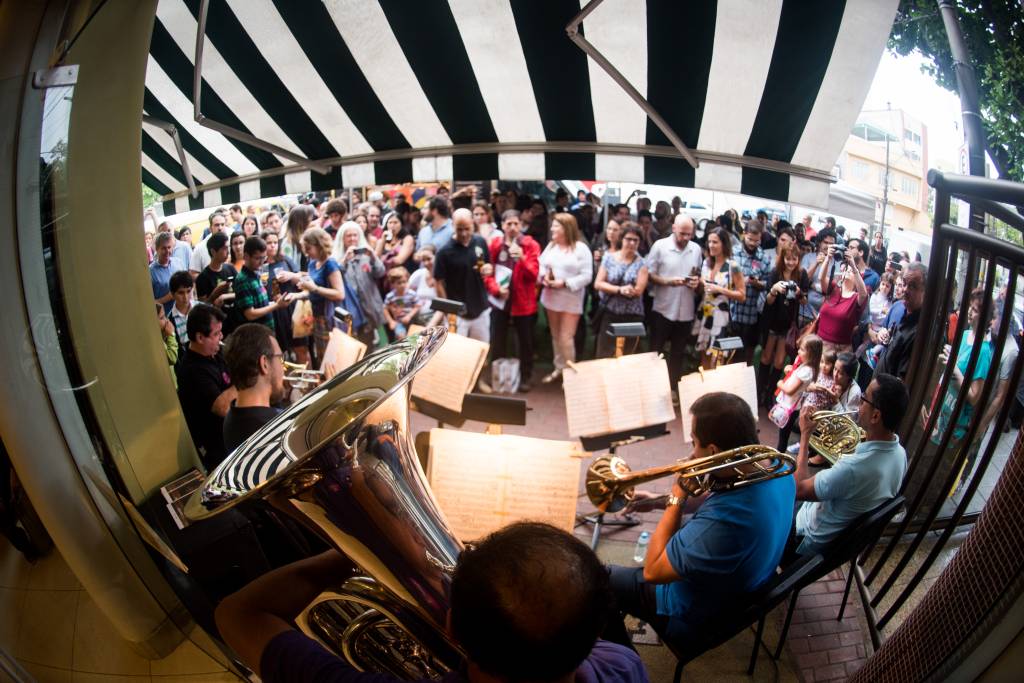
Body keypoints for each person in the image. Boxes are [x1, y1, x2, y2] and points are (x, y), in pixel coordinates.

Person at [216, 522, 648, 683]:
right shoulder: (625, 666)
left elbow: (236, 613)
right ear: (595, 631)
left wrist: (350, 552)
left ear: (451, 628)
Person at [607, 392, 795, 645]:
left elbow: (653, 570)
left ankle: (623, 661)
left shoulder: (723, 523)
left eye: (694, 442)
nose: (692, 453)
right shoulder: (776, 466)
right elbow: (713, 498)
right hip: (743, 585)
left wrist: (677, 495)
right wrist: (656, 501)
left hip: (692, 617)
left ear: (713, 449)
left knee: (601, 578)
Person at [791, 374, 908, 555]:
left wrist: (805, 435)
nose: (859, 406)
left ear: (876, 416)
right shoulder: (900, 454)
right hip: (835, 534)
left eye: (863, 400)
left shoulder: (853, 469)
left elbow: (798, 490)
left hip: (804, 536)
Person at [930, 288, 995, 446]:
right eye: (970, 307)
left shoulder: (984, 351)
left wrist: (954, 367)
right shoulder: (966, 334)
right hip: (940, 408)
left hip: (953, 422)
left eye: (975, 309)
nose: (970, 312)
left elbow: (974, 396)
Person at [484, 210, 540, 391]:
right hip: (500, 301)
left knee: (525, 342)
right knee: (497, 339)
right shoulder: (495, 245)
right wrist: (495, 289)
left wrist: (522, 258)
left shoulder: (530, 245)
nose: (513, 227)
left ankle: (525, 377)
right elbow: (487, 273)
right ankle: (497, 377)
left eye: (516, 224)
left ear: (521, 225)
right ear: (502, 226)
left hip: (523, 302)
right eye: (509, 224)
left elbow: (534, 274)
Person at [176, 304, 236, 470]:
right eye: (216, 334)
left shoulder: (214, 353)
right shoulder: (192, 370)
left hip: (229, 436)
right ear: (200, 337)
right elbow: (222, 408)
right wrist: (244, 376)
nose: (221, 337)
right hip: (217, 450)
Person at [646, 214, 703, 387]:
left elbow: (698, 275)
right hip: (663, 307)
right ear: (673, 229)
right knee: (656, 351)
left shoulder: (696, 249)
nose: (686, 238)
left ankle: (672, 388)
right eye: (682, 234)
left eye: (689, 234)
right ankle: (652, 387)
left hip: (685, 310)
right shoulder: (660, 246)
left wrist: (696, 282)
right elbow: (648, 274)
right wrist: (667, 282)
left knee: (678, 353)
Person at [538, 212, 593, 383]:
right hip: (551, 298)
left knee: (566, 338)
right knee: (555, 336)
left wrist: (565, 283)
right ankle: (559, 367)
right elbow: (541, 264)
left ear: (566, 228)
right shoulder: (551, 246)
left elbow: (587, 276)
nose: (552, 228)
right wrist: (544, 277)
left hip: (571, 300)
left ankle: (571, 375)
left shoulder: (581, 248)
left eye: (556, 225)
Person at [278, 228, 345, 366]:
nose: (306, 252)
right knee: (322, 356)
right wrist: (296, 295)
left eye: (308, 248)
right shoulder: (313, 263)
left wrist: (315, 288)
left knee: (331, 359)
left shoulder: (330, 264)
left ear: (319, 245)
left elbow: (340, 294)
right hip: (317, 316)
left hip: (329, 318)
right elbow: (311, 291)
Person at [759, 244, 811, 406]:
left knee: (780, 361)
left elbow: (804, 301)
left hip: (788, 323)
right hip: (772, 320)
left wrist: (798, 293)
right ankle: (759, 391)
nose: (791, 262)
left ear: (798, 259)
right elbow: (768, 301)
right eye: (788, 259)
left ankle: (769, 396)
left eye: (794, 259)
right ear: (782, 258)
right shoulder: (775, 272)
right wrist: (774, 289)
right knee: (766, 357)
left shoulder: (801, 275)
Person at [222, 323, 286, 453]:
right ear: (264, 364)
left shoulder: (232, 416)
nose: (283, 368)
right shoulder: (276, 430)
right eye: (280, 358)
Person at [434, 208, 491, 342]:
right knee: (458, 358)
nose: (464, 233)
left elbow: (488, 265)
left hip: (481, 310)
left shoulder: (481, 242)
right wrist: (448, 311)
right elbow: (438, 282)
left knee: (480, 353)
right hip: (458, 315)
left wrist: (489, 269)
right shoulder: (444, 252)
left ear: (473, 223)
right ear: (452, 225)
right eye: (459, 229)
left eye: (467, 228)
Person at [692, 227, 745, 368]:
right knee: (703, 352)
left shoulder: (733, 266)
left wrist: (720, 290)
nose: (711, 245)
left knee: (716, 356)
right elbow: (702, 288)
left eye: (715, 242)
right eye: (709, 242)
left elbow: (741, 295)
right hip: (704, 311)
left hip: (720, 315)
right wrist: (698, 284)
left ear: (724, 244)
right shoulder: (707, 262)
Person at [593, 224, 649, 358]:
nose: (632, 243)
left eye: (636, 240)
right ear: (621, 239)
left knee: (627, 357)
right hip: (610, 313)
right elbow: (598, 283)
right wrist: (619, 289)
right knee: (604, 354)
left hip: (632, 316)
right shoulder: (609, 258)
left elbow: (639, 290)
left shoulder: (642, 263)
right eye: (629, 239)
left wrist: (631, 291)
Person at [873, 263, 926, 382]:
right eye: (905, 283)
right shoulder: (897, 306)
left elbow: (902, 380)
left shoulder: (921, 331)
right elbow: (882, 331)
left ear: (925, 292)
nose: (905, 289)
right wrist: (881, 333)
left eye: (913, 286)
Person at [261, 230, 306, 367]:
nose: (273, 246)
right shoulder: (261, 265)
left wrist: (290, 275)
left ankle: (308, 383)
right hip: (275, 311)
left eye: (275, 242)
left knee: (301, 348)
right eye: (269, 243)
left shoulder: (285, 260)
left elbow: (303, 279)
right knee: (279, 353)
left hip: (292, 308)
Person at [337, 222, 386, 347]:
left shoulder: (366, 256)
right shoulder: (337, 258)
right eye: (349, 236)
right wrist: (345, 260)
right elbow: (336, 277)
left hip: (368, 307)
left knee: (368, 343)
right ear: (342, 238)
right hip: (351, 309)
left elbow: (380, 273)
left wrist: (373, 255)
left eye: (355, 235)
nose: (353, 239)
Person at [772, 335, 823, 452]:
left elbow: (790, 391)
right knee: (783, 435)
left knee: (783, 438)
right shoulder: (805, 366)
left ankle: (778, 459)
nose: (798, 351)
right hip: (789, 406)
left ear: (811, 353)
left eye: (802, 349)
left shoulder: (806, 371)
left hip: (789, 407)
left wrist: (780, 384)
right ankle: (778, 458)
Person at [816, 243, 869, 354]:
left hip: (839, 350)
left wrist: (854, 266)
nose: (848, 271)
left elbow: (863, 294)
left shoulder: (856, 298)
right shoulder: (834, 288)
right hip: (820, 342)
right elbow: (821, 278)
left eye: (852, 272)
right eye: (846, 269)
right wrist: (828, 258)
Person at [731, 219, 771, 363]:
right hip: (732, 311)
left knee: (746, 353)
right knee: (729, 352)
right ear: (744, 235)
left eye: (757, 240)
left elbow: (768, 284)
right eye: (750, 239)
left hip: (751, 314)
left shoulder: (764, 258)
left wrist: (757, 283)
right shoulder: (733, 253)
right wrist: (739, 281)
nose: (753, 243)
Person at [233, 236, 290, 331]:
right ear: (246, 256)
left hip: (267, 329)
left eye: (264, 258)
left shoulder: (255, 274)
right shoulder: (243, 279)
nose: (261, 262)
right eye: (257, 258)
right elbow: (250, 314)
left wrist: (276, 302)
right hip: (257, 334)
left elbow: (260, 305)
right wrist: (277, 305)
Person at [194, 232, 237, 308]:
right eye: (224, 248)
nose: (228, 252)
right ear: (213, 252)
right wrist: (214, 294)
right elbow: (203, 307)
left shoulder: (231, 268)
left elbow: (242, 292)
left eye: (228, 247)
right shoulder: (202, 278)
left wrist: (223, 296)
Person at [374, 211, 416, 283]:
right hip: (384, 279)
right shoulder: (382, 240)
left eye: (395, 222)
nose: (392, 225)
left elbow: (400, 260)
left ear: (401, 225)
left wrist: (383, 260)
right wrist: (383, 240)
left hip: (402, 278)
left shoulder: (407, 239)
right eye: (390, 223)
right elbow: (375, 258)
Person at [382, 267, 421, 341]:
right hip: (399, 322)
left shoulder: (411, 294)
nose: (402, 285)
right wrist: (391, 321)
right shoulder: (390, 296)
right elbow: (385, 309)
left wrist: (409, 316)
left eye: (404, 282)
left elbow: (417, 306)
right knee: (401, 337)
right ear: (392, 284)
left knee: (415, 339)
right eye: (399, 283)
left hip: (413, 321)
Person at [190, 210, 229, 276]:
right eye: (217, 225)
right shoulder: (200, 248)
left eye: (222, 224)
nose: (220, 228)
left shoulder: (232, 242)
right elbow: (193, 273)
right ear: (210, 228)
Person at [408, 246, 440, 325]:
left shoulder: (442, 277)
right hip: (418, 319)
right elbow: (406, 293)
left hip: (437, 320)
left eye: (429, 259)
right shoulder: (419, 274)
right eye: (423, 260)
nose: (426, 263)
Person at [149, 232, 177, 314]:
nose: (167, 251)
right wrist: (168, 297)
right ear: (157, 249)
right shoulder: (150, 272)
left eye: (169, 247)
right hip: (164, 318)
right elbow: (149, 303)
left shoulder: (178, 263)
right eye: (164, 248)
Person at [168, 270, 195, 350]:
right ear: (172, 294)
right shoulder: (170, 320)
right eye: (181, 293)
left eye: (188, 291)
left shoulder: (201, 308)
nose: (186, 297)